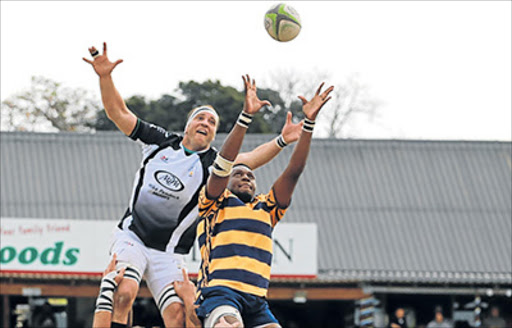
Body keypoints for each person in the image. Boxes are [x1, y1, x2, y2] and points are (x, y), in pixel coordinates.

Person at [83, 43, 301, 328]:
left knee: (179, 317)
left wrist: (283, 140)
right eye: (200, 117)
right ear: (187, 125)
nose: (206, 123)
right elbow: (118, 113)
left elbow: (250, 158)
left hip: (171, 252)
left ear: (214, 133)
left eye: (212, 121)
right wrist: (105, 77)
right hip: (132, 237)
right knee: (125, 294)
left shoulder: (214, 163)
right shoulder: (158, 141)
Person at [194, 76, 334, 327]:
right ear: (227, 180)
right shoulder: (214, 202)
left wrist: (310, 123)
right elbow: (224, 163)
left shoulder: (268, 208)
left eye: (250, 175)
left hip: (257, 299)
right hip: (220, 292)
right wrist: (246, 117)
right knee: (229, 325)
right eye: (239, 174)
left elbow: (294, 171)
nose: (246, 176)